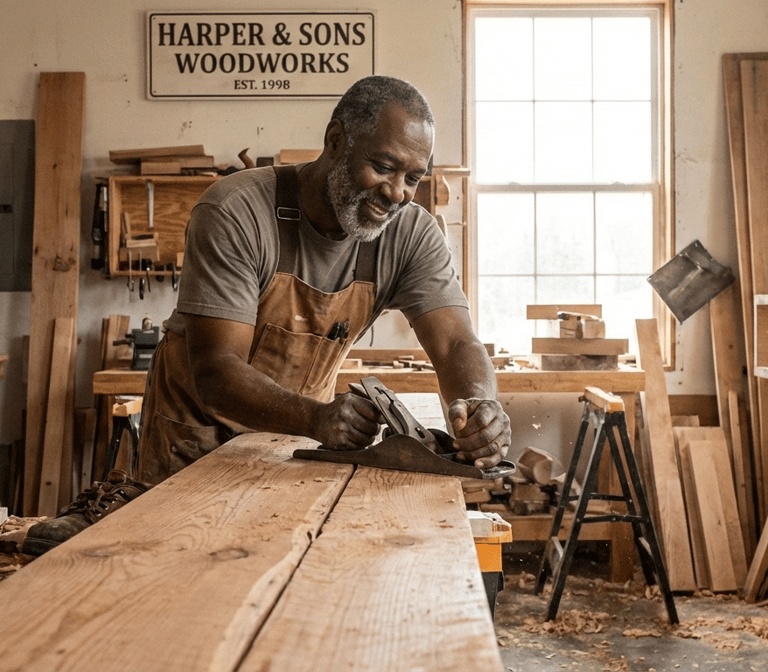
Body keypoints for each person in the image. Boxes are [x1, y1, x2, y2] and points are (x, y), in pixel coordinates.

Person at [22, 75, 511, 556]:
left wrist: (478, 405)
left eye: (413, 177)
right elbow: (217, 370)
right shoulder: (236, 210)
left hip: (298, 455)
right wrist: (318, 419)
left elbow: (454, 345)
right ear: (336, 141)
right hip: (194, 454)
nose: (396, 193)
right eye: (384, 167)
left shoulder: (410, 234)